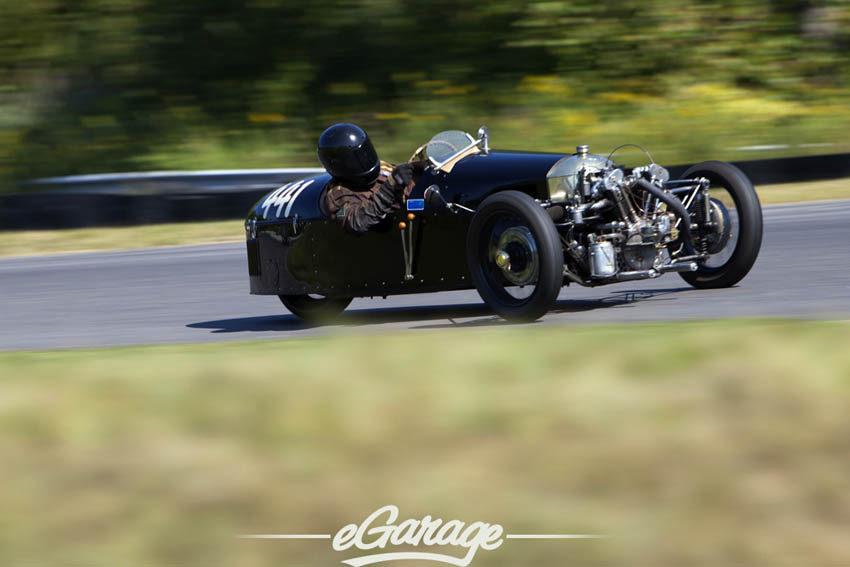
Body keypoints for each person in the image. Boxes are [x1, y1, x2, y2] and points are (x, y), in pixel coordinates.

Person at [318, 123, 416, 233]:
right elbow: (356, 222)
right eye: (354, 160)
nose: (364, 160)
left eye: (365, 153)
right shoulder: (337, 197)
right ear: (339, 165)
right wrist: (390, 186)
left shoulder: (385, 169)